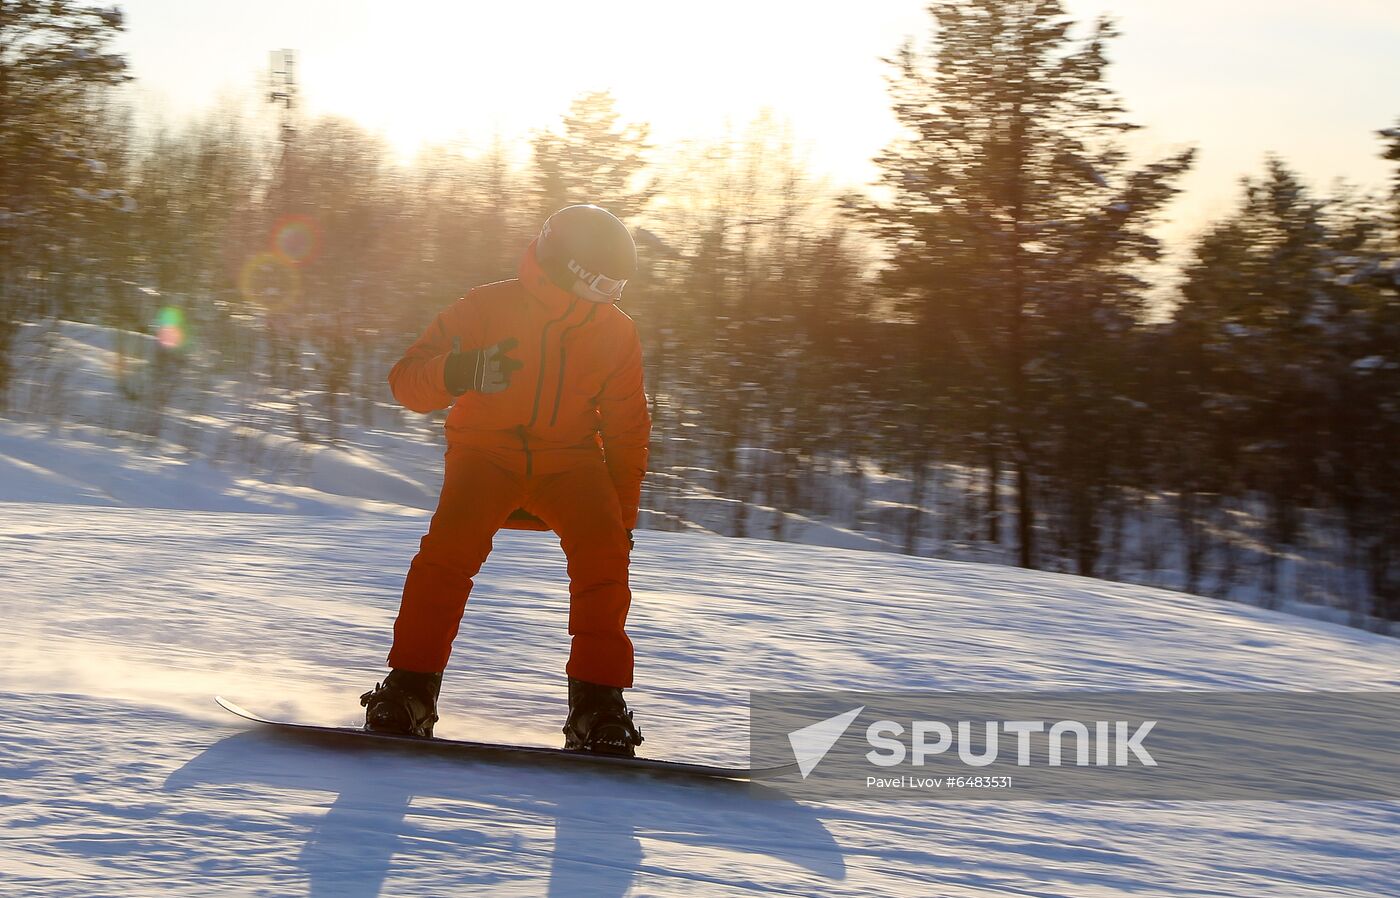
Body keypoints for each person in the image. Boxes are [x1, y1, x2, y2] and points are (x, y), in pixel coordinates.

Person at [360, 204, 651, 757]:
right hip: (485, 455)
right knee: (446, 556)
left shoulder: (616, 333)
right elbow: (405, 383)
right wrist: (459, 370)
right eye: (603, 284)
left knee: (605, 555)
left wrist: (622, 517)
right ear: (566, 267)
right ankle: (410, 689)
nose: (610, 298)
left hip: (570, 463)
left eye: (618, 288)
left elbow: (626, 429)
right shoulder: (486, 307)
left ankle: (597, 705)